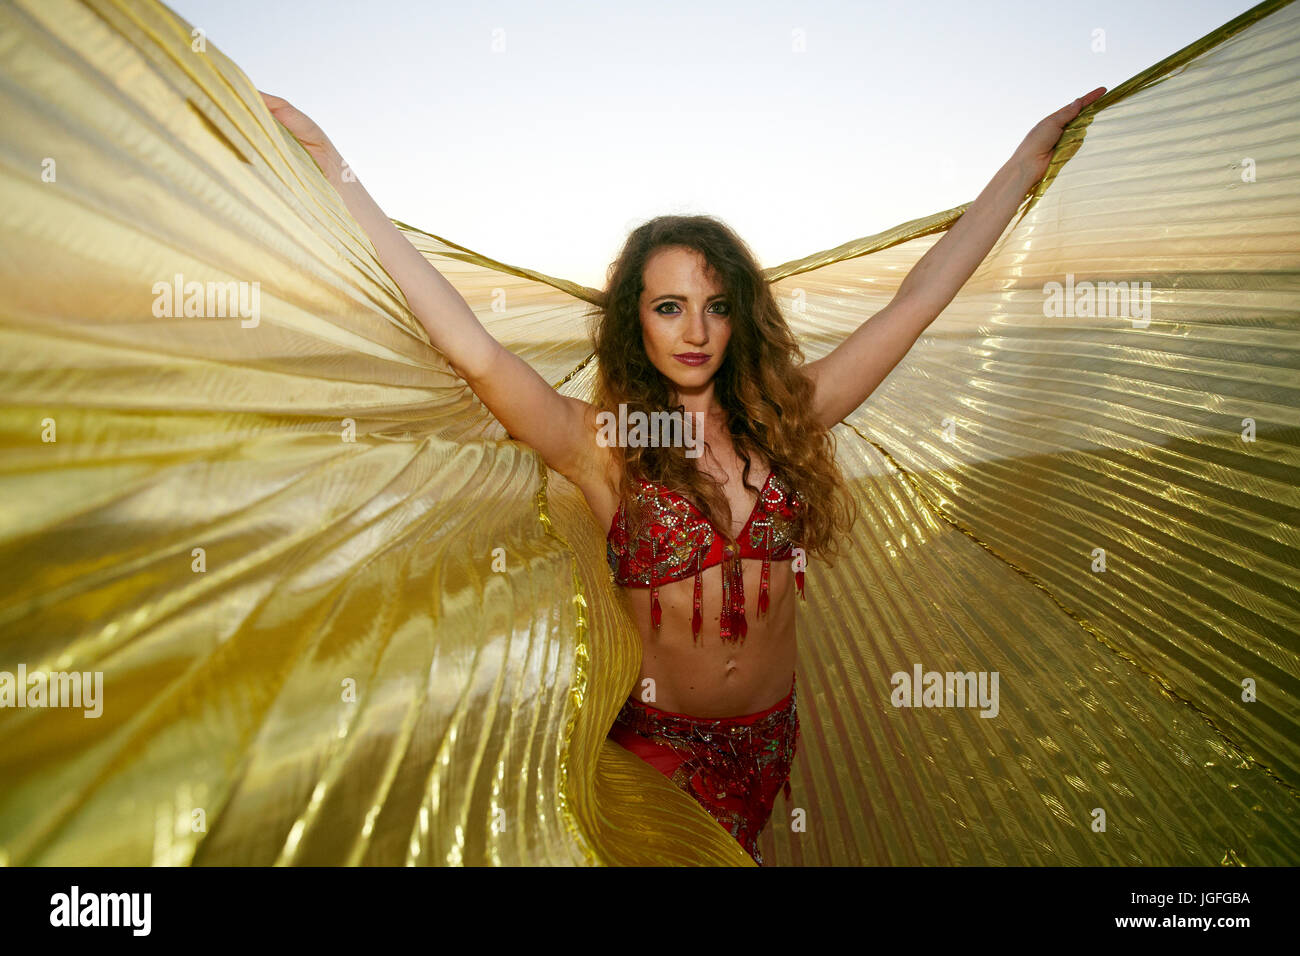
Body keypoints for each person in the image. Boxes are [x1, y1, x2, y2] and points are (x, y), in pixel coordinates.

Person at [260, 85, 1107, 864]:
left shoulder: (791, 418)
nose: (695, 329)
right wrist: (336, 165)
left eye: (715, 304)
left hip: (769, 743)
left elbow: (917, 301)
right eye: (669, 306)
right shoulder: (601, 445)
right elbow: (472, 348)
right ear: (638, 322)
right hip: (656, 751)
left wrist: (1021, 167)